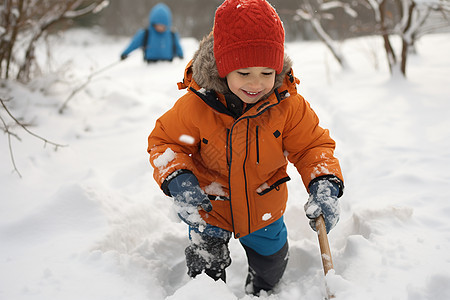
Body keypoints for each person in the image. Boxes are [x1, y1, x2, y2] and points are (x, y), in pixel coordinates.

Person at [147, 0, 344, 295]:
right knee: (205, 272)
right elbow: (165, 142)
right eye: (244, 73)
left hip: (263, 207)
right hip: (209, 207)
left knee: (272, 268)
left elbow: (312, 146)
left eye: (267, 73)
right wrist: (179, 181)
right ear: (223, 68)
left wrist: (323, 181)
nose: (257, 84)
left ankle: (260, 288)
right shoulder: (197, 104)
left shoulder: (287, 105)